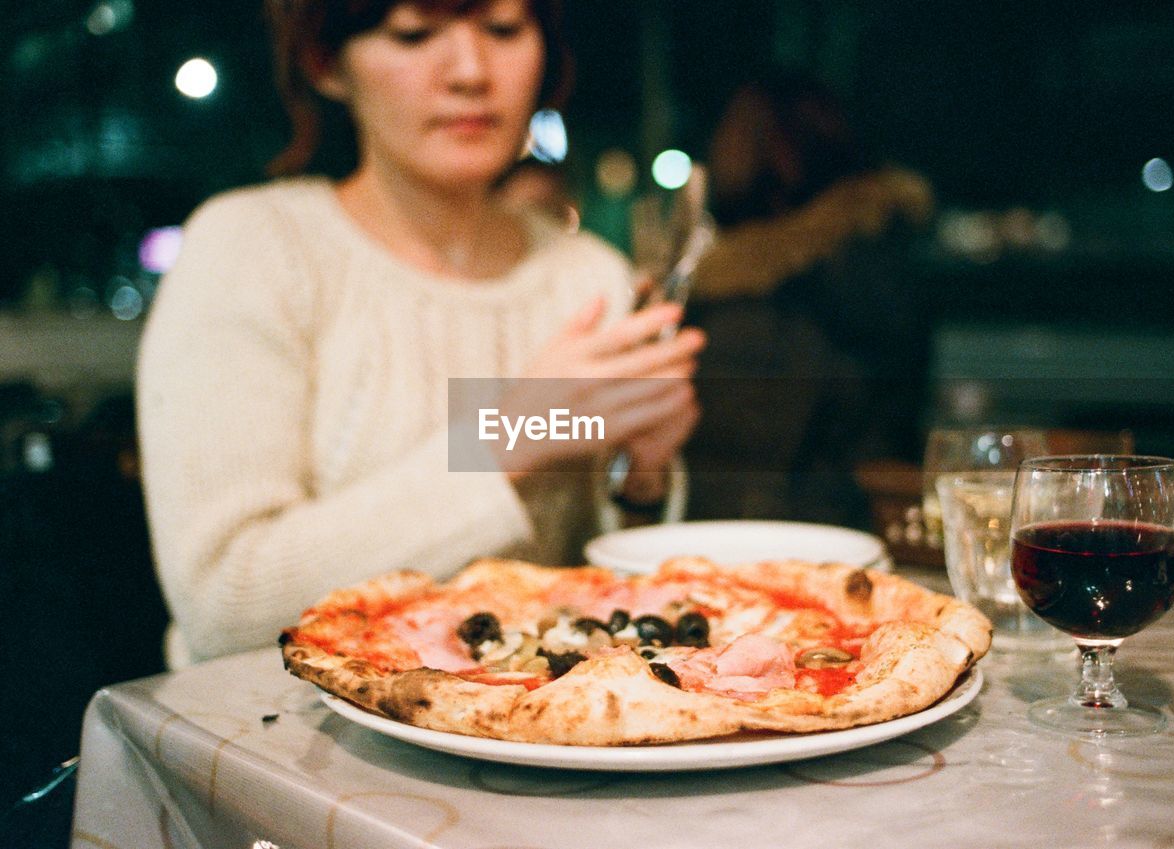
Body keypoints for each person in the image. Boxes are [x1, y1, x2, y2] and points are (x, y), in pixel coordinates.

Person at [137, 0, 703, 666]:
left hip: (532, 737)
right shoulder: (255, 249)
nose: (470, 71)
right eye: (414, 33)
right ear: (325, 63)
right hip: (283, 744)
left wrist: (642, 474)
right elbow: (222, 604)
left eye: (503, 29)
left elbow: (622, 601)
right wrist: (509, 435)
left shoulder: (587, 278)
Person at [685, 70, 934, 523]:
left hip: (781, 535)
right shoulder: (871, 251)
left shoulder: (766, 293)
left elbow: (740, 453)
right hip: (854, 522)